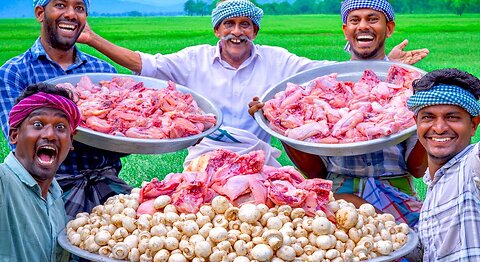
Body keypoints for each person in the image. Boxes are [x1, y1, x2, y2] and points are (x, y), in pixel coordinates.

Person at [79, 0, 428, 168]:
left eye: (246, 24)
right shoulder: (193, 59)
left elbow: (329, 73)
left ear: (255, 32)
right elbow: (144, 64)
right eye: (229, 24)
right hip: (203, 158)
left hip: (258, 159)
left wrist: (386, 67)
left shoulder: (277, 60)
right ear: (217, 30)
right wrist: (93, 39)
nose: (237, 31)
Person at [250, 0, 427, 228]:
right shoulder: (328, 85)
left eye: (372, 19)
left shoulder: (406, 87)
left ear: (389, 28)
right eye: (355, 20)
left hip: (396, 190)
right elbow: (316, 171)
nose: (363, 26)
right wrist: (278, 122)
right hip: (339, 194)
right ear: (345, 30)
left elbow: (418, 169)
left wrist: (428, 115)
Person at [0, 0, 132, 220]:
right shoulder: (14, 73)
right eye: (61, 5)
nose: (71, 14)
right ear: (40, 13)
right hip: (45, 191)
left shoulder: (103, 71)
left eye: (79, 8)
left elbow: (120, 143)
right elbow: (19, 142)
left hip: (106, 186)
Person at [0, 83, 80, 262]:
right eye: (38, 124)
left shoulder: (55, 195)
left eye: (60, 127)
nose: (50, 135)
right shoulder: (4, 182)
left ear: (71, 142)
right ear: (14, 135)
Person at [406, 68, 480, 262]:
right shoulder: (432, 186)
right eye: (428, 117)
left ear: (473, 125)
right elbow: (427, 254)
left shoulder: (472, 165)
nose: (439, 128)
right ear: (416, 123)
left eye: (452, 117)